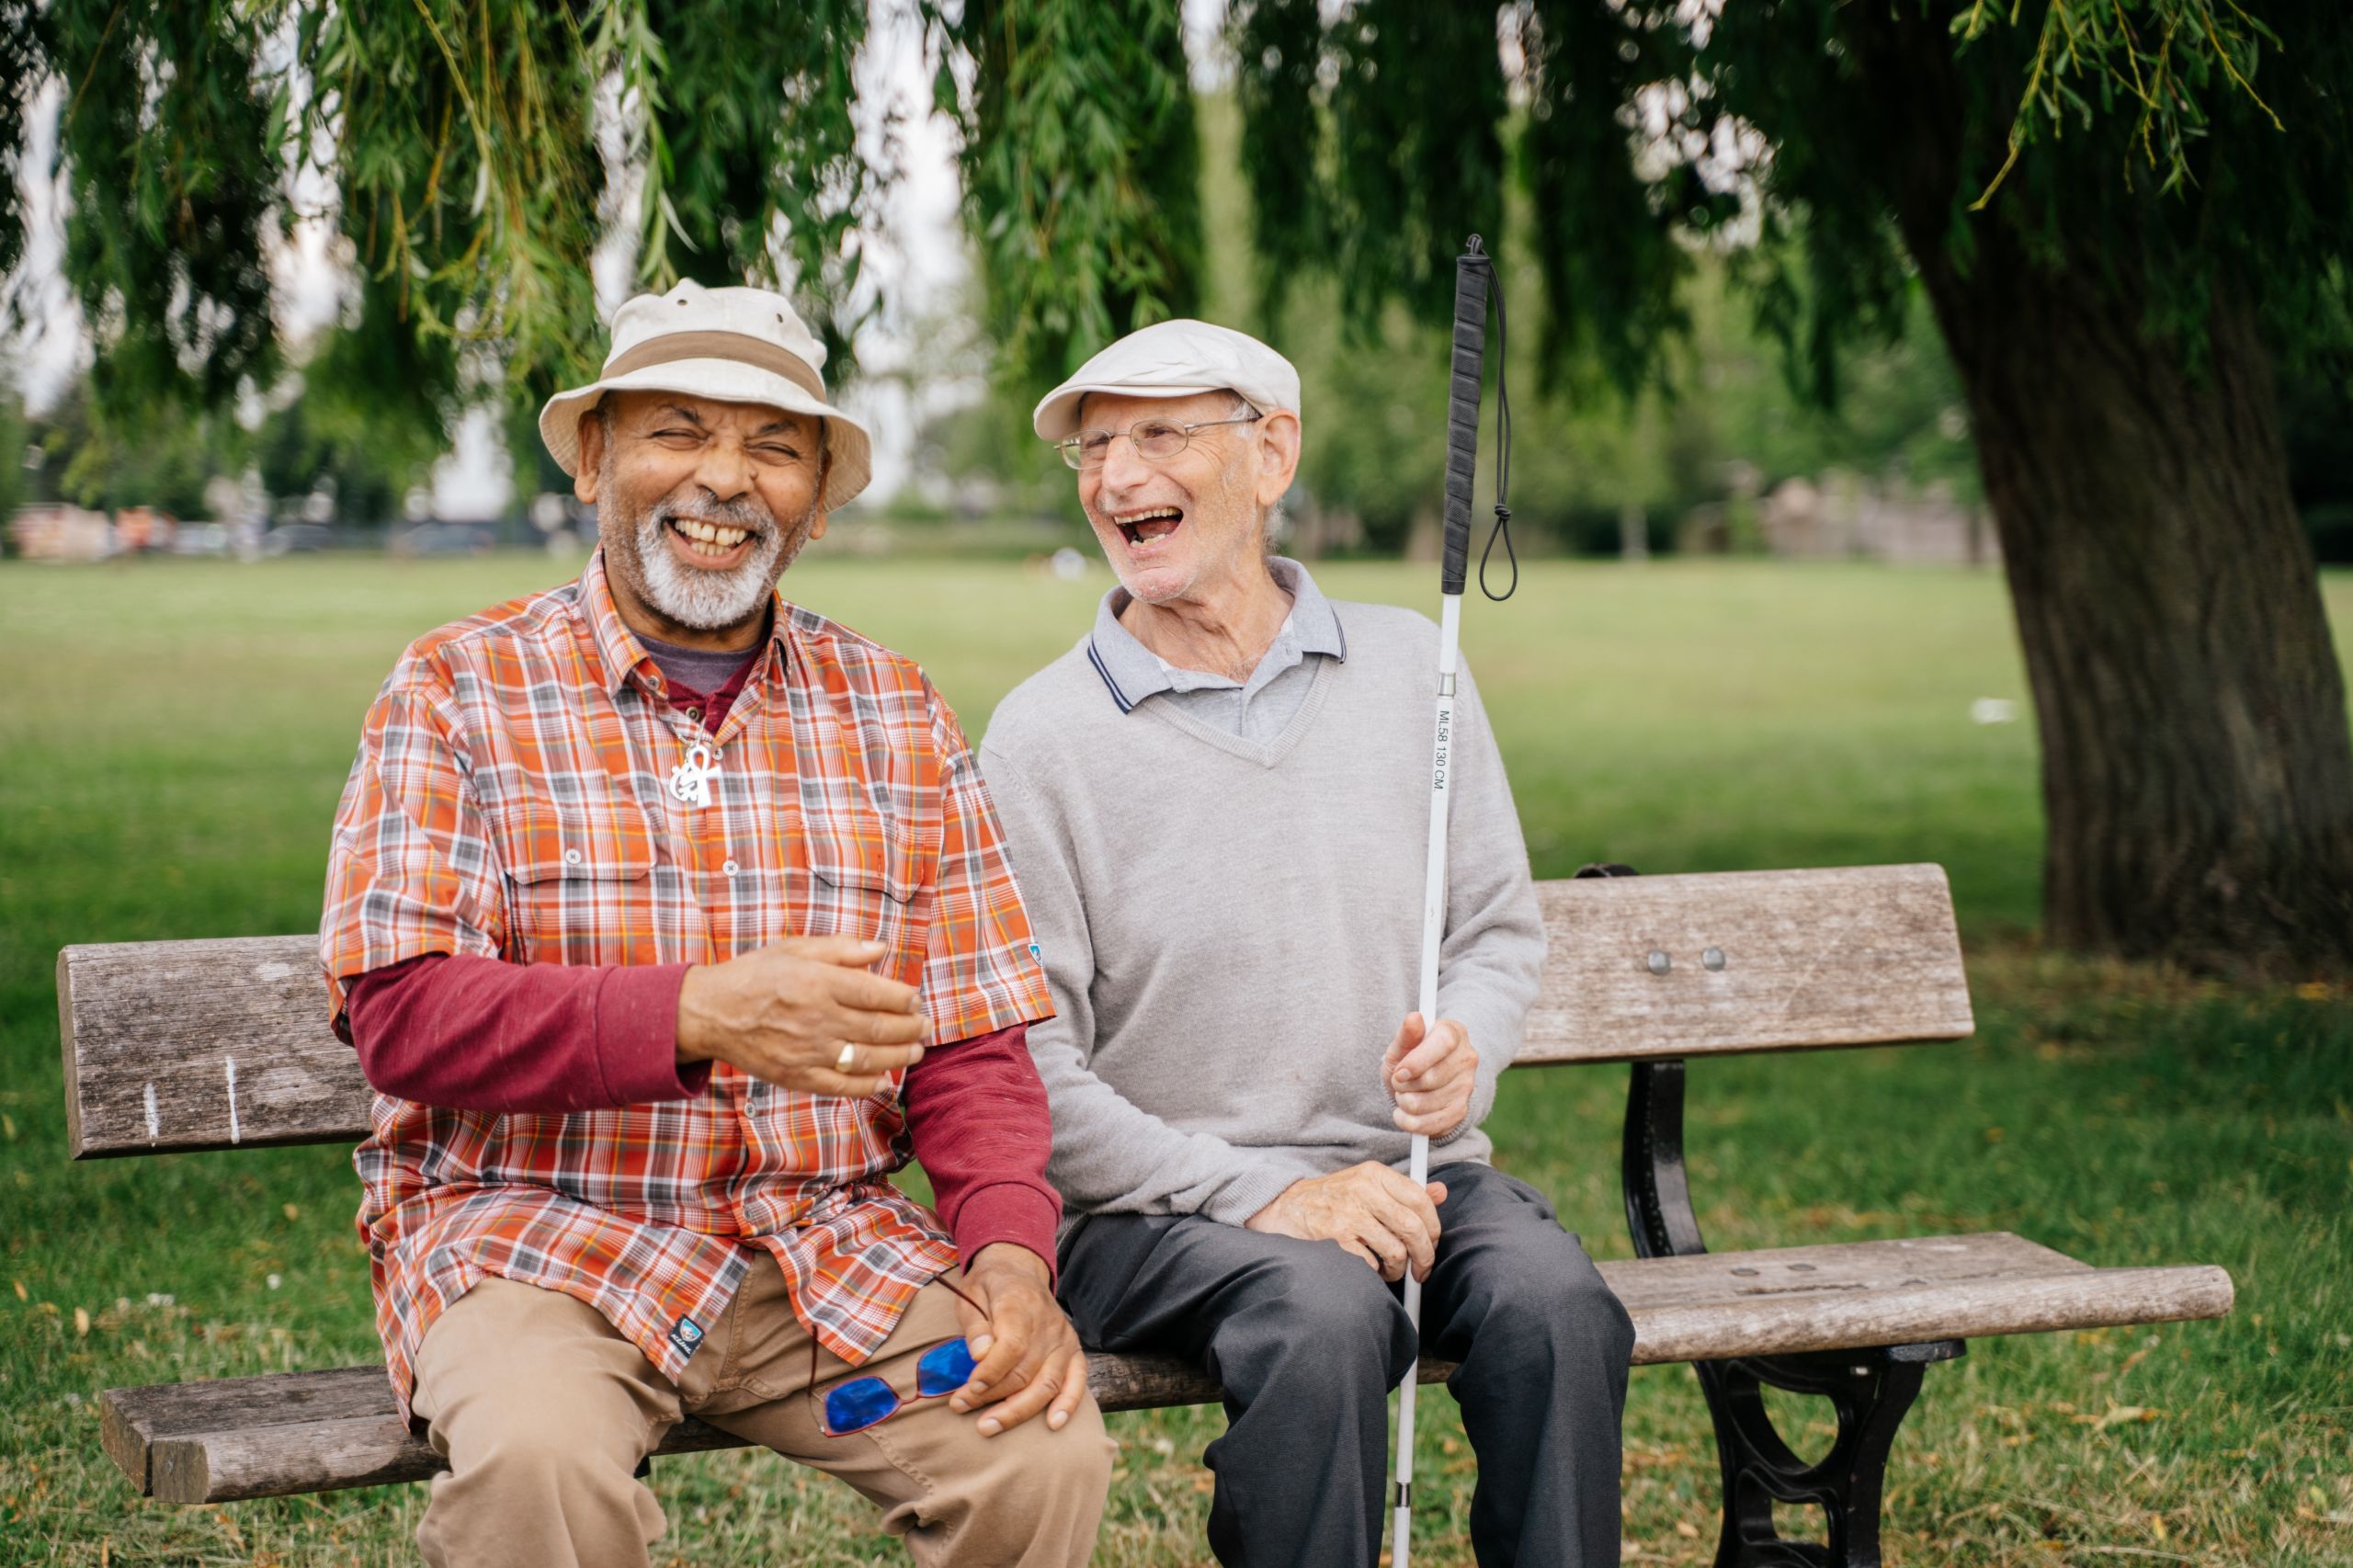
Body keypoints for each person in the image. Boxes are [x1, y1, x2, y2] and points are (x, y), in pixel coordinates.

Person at [320, 280, 1112, 1568]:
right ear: (596, 457)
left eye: (774, 447)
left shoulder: (896, 711)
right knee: (538, 1460)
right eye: (676, 431)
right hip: (541, 1237)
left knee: (1040, 1449)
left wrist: (1012, 1259)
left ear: (813, 498)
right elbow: (402, 1016)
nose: (724, 479)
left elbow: (971, 1046)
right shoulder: (460, 686)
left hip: (823, 1247)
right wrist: (697, 1013)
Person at [979, 319, 1636, 1568]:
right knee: (1325, 1310)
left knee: (1559, 1310)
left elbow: (1494, 931)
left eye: (1160, 435)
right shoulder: (1043, 737)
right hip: (1157, 1208)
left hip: (1409, 1171)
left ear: (1271, 454)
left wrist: (1467, 1052)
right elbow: (1031, 1067)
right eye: (1095, 448)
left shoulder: (1413, 670)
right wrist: (1271, 1195)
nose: (1118, 478)